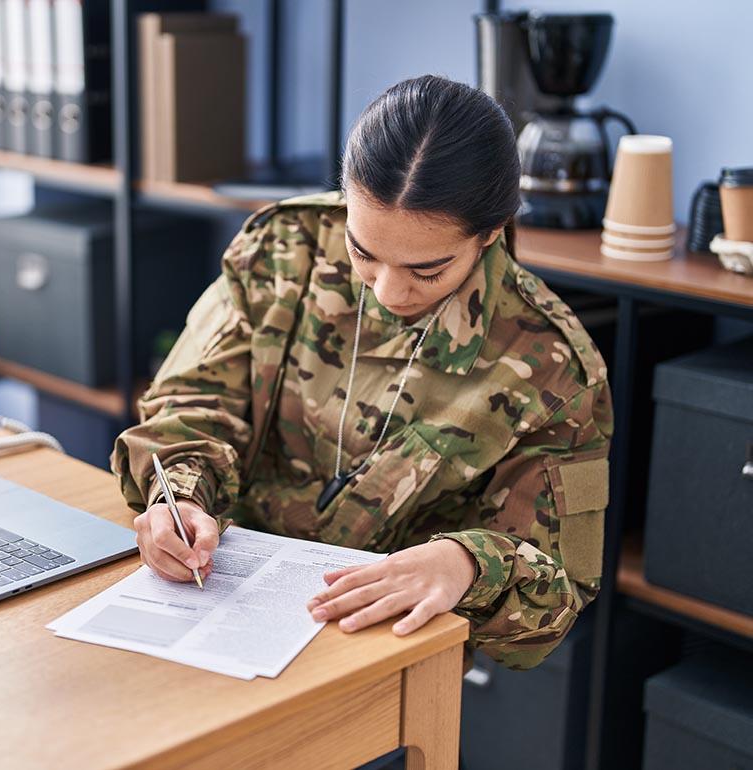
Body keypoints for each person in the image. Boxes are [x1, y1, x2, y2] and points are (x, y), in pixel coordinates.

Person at [110, 75, 612, 670]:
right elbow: (189, 399)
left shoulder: (553, 369)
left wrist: (466, 565)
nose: (389, 290)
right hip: (215, 602)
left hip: (376, 649)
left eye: (427, 270)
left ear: (491, 233)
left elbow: (559, 588)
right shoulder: (284, 249)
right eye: (362, 252)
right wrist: (181, 498)